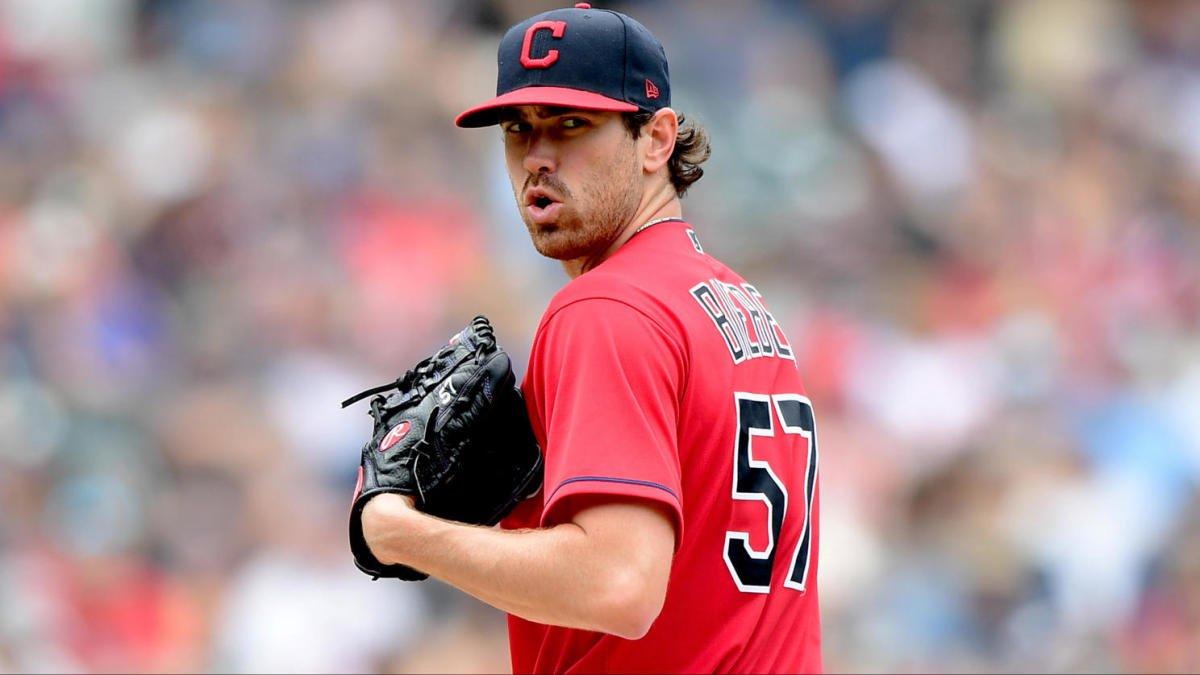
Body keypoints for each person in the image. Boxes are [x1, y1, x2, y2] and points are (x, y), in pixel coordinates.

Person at [360, 3, 822, 672]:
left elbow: (618, 585)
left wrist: (400, 532)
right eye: (519, 130)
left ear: (658, 139)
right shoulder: (740, 305)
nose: (538, 158)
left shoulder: (606, 305)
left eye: (572, 125)